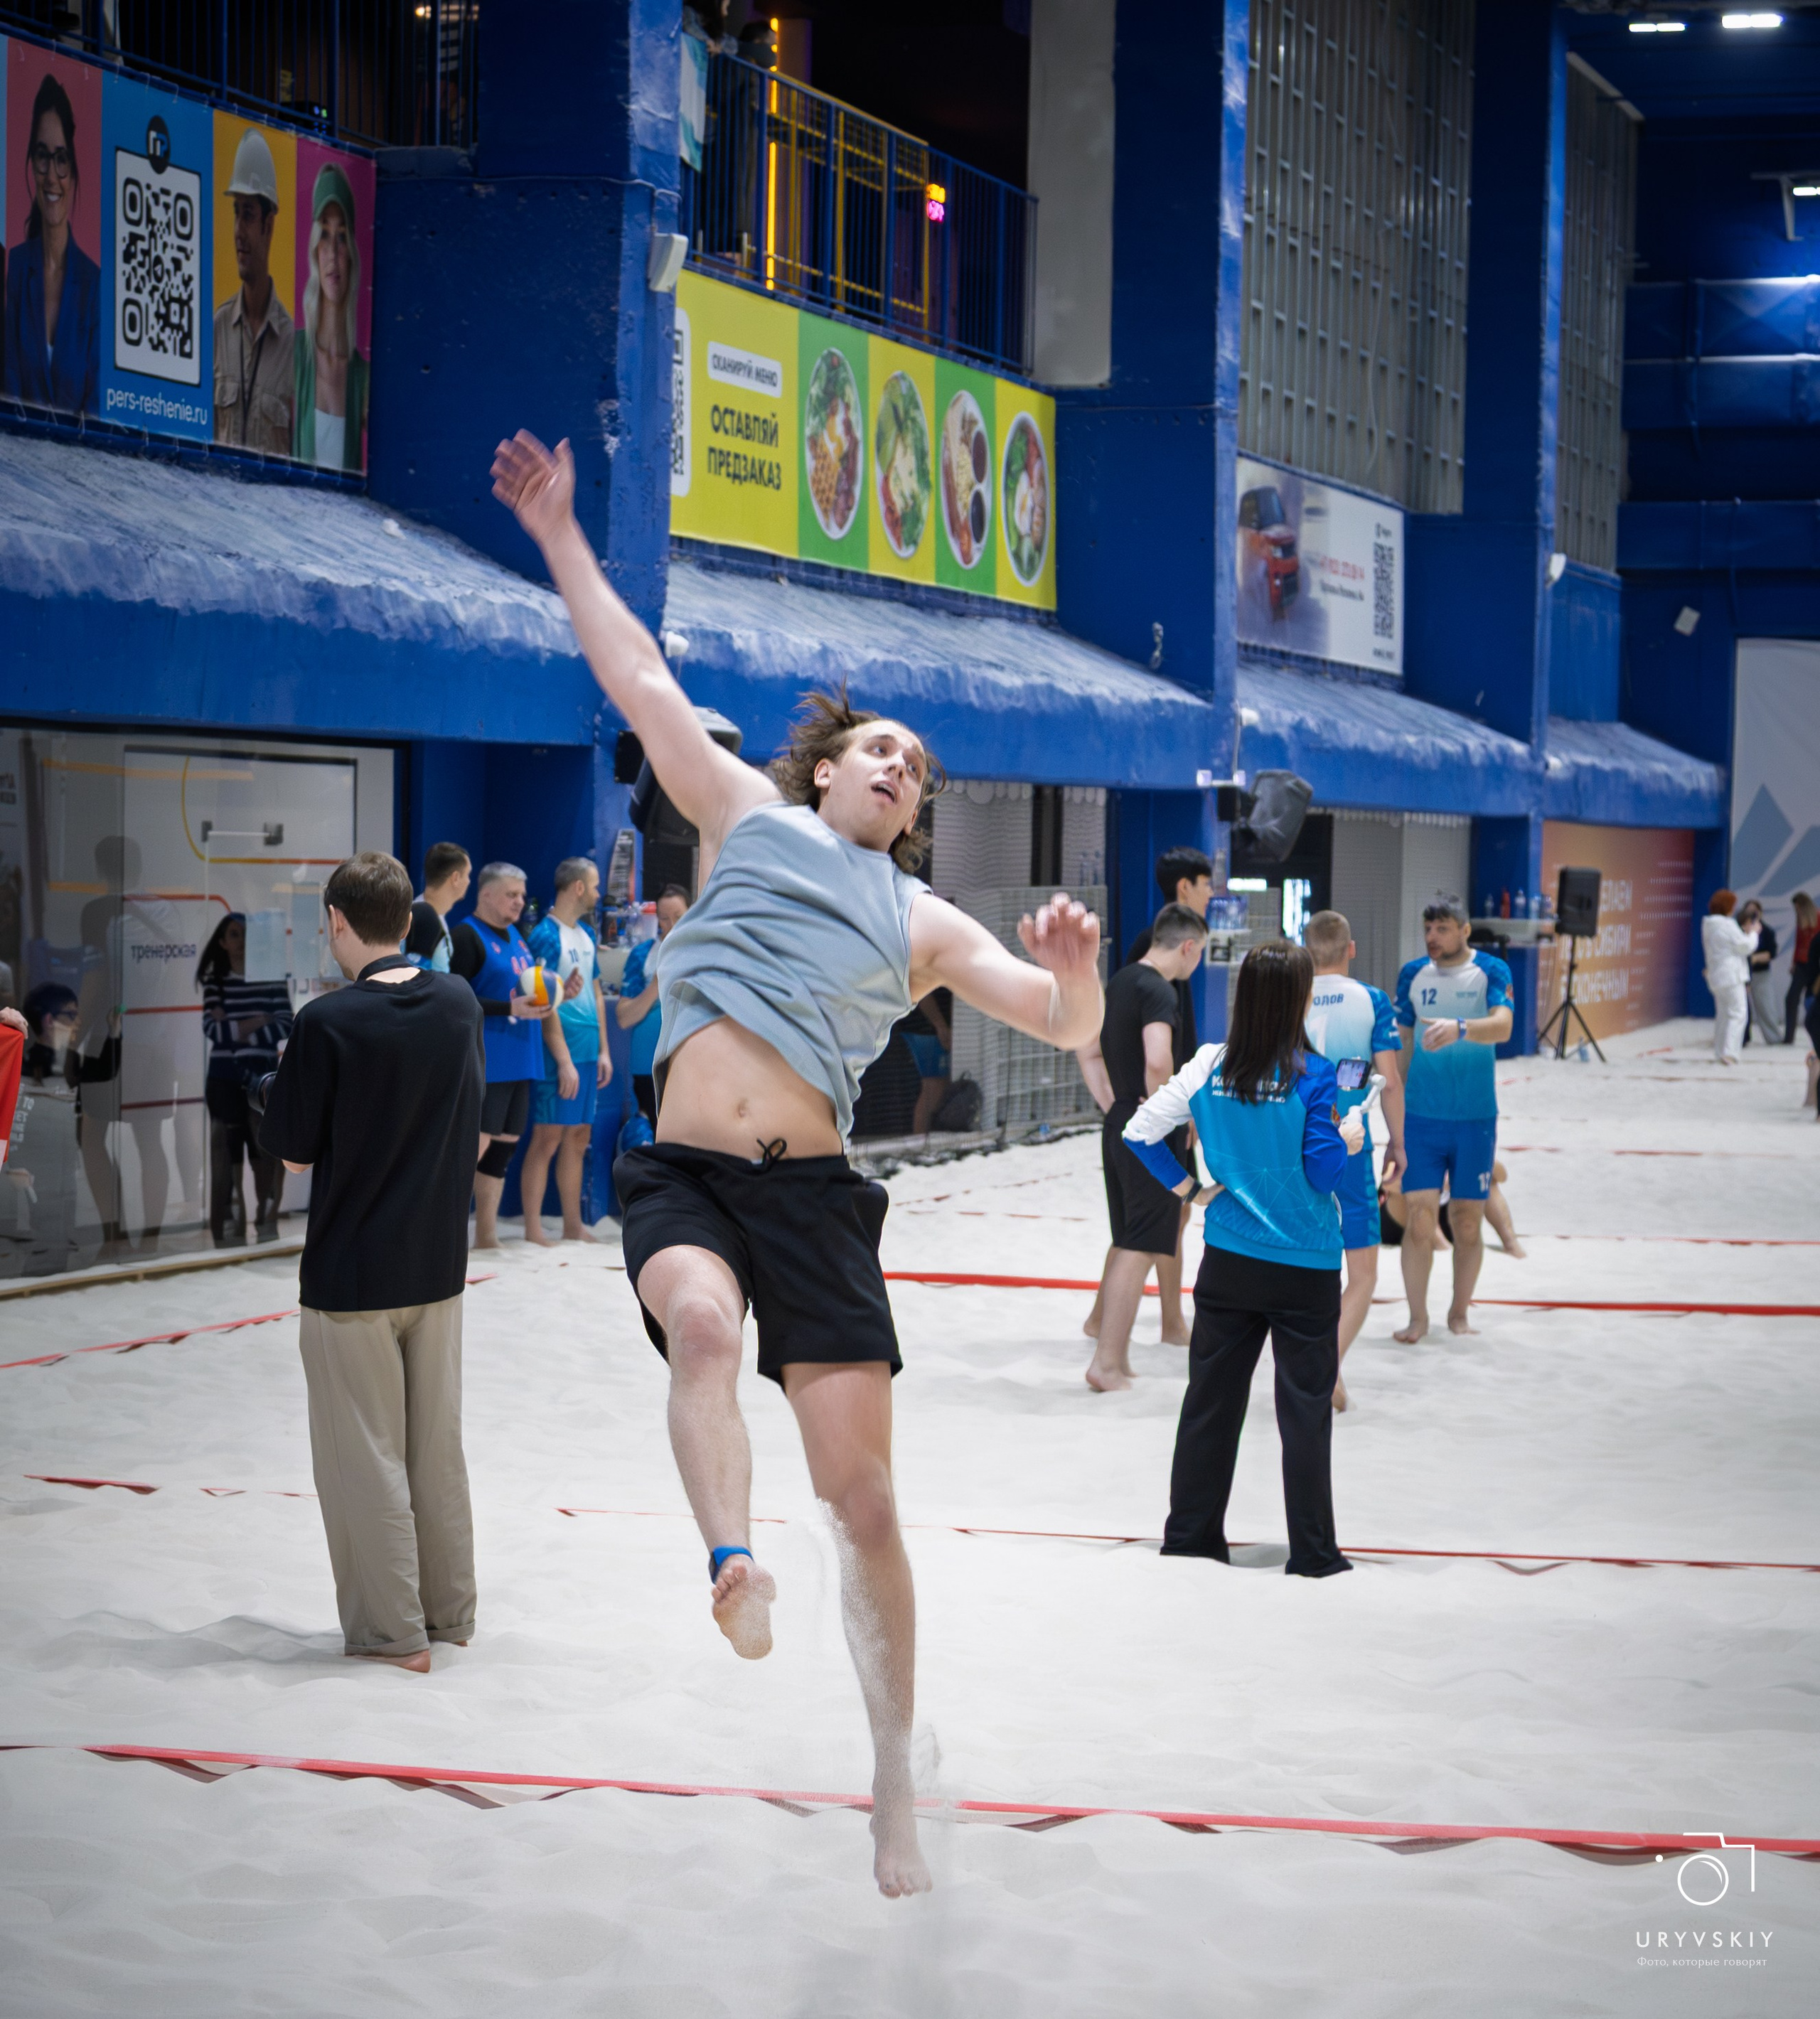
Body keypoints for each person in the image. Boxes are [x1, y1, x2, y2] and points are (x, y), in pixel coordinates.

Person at [492, 428, 1103, 1899]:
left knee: (868, 1505)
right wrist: (563, 535)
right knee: (696, 1326)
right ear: (822, 766)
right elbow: (636, 677)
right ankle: (725, 1564)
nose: (894, 765)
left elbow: (1059, 1024)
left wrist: (1078, 979)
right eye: (874, 746)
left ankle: (893, 1771)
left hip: (814, 1199)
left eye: (913, 765)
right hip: (687, 1176)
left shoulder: (922, 921)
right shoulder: (743, 817)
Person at [257, 852, 485, 1673]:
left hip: (352, 1272)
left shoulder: (326, 1021)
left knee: (366, 1456)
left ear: (338, 923)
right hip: (438, 1265)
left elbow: (292, 1158)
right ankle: (449, 1613)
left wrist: (280, 1084)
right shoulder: (457, 1003)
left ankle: (393, 1634)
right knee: (436, 1449)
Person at [1124, 941, 1364, 1578]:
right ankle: (1314, 1554)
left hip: (1228, 1261)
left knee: (1210, 1403)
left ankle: (1191, 1539)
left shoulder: (1208, 1064)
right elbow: (1321, 1173)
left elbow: (1139, 1131)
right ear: (1301, 1000)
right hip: (1307, 1267)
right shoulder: (1315, 1075)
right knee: (1304, 1413)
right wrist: (1348, 1138)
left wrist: (1191, 1191)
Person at [1083, 845, 1216, 1344]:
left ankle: (1125, 1322)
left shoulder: (1127, 975)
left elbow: (1088, 1048)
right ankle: (1150, 1329)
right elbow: (1160, 1054)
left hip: (1131, 1112)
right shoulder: (1158, 973)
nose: (1213, 894)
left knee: (1145, 1226)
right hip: (1155, 1112)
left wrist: (1115, 1104)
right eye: (1207, 885)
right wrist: (1169, 1111)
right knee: (1148, 1229)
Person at [1391, 898, 1515, 1342]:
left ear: (1464, 931)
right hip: (1422, 1117)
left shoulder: (1493, 971)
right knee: (1420, 1220)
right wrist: (1394, 1113)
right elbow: (1399, 1043)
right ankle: (1417, 1318)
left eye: (1442, 928)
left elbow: (1503, 1027)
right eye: (1428, 928)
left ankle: (1459, 1312)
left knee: (1466, 1220)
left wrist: (1462, 1028)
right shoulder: (1412, 974)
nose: (1432, 937)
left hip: (1475, 1117)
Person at [1302, 910, 1406, 1412]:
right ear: (1352, 948)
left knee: (1303, 1266)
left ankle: (1320, 1367)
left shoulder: (1288, 995)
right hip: (1349, 1143)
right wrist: (1399, 1145)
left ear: (1306, 950)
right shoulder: (1373, 1000)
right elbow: (1390, 1080)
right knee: (1362, 1274)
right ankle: (1327, 1367)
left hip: (1294, 1145)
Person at [449, 862, 558, 1249]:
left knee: (503, 1149)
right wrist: (508, 1010)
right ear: (487, 894)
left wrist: (562, 993)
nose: (520, 902)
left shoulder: (517, 935)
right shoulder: (466, 936)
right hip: (488, 1061)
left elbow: (526, 993)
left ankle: (487, 1236)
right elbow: (455, 1000)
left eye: (522, 895)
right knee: (474, 1149)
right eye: (511, 894)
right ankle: (443, 1234)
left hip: (522, 1059)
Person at [521, 856, 614, 1245]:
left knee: (578, 1136)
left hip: (589, 1050)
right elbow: (541, 1002)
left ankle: (573, 1225)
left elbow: (594, 991)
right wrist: (563, 1060)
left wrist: (605, 1050)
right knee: (548, 1137)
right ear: (578, 887)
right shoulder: (545, 935)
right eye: (593, 886)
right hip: (559, 1053)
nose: (597, 893)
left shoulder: (586, 935)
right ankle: (532, 1229)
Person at [3, 985, 119, 1276]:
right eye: (71, 1015)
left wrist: (114, 1032)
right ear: (48, 1020)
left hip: (64, 1164)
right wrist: (13, 1165)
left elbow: (105, 1071)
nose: (78, 1022)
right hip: (31, 1169)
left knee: (60, 1233)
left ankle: (48, 1276)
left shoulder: (70, 1060)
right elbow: (15, 1117)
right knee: (36, 1237)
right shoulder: (25, 1059)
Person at [4, 73, 100, 417]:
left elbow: (95, 401)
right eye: (43, 156)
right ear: (32, 163)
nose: (52, 176)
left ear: (73, 171)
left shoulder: (94, 284)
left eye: (61, 159)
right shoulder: (15, 267)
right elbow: (10, 384)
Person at [196, 912, 294, 1246]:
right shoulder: (216, 981)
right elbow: (213, 1030)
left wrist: (238, 1029)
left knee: (264, 1151)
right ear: (222, 942)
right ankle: (229, 1226)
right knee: (226, 1153)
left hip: (263, 1075)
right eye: (234, 935)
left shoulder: (271, 978)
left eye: (245, 934)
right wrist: (258, 1020)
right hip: (223, 1077)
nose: (241, 941)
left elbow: (286, 1024)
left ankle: (265, 1221)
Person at [213, 127, 294, 455]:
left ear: (269, 225)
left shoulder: (293, 347)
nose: (237, 232)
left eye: (248, 216)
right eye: (236, 214)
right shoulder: (218, 329)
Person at [293, 164, 369, 472]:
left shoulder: (363, 377)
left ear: (351, 251)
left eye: (342, 236)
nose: (333, 254)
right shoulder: (294, 354)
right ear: (314, 249)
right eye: (324, 234)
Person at [616, 884, 689, 1123]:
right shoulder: (643, 955)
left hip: (691, 1060)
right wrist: (657, 984)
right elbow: (624, 1017)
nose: (672, 925)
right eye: (664, 919)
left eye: (679, 917)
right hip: (648, 1062)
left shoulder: (706, 952)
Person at [1700, 889, 1757, 1068]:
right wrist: (1754, 933)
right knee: (1738, 1013)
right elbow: (1745, 946)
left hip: (1716, 976)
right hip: (1731, 976)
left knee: (1724, 1016)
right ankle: (1730, 1053)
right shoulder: (1727, 925)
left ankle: (1720, 1052)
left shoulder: (1709, 925)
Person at [404, 843, 471, 973]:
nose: (469, 881)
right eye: (467, 875)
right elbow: (416, 981)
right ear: (455, 878)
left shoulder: (434, 916)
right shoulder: (422, 920)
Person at [1738, 900, 1779, 1046]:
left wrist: (1754, 958)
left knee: (1765, 1007)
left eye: (1754, 912)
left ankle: (1773, 1038)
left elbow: (1771, 953)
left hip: (1761, 974)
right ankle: (1743, 1038)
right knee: (1742, 1009)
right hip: (1743, 974)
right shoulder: (1738, 931)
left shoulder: (1767, 931)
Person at [1784, 894, 1817, 1046]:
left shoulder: (1817, 918)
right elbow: (1798, 942)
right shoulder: (1801, 920)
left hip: (1814, 966)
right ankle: (1789, 1036)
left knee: (1811, 1000)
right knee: (1791, 999)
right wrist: (1793, 962)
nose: (1796, 910)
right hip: (1802, 964)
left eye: (1798, 907)